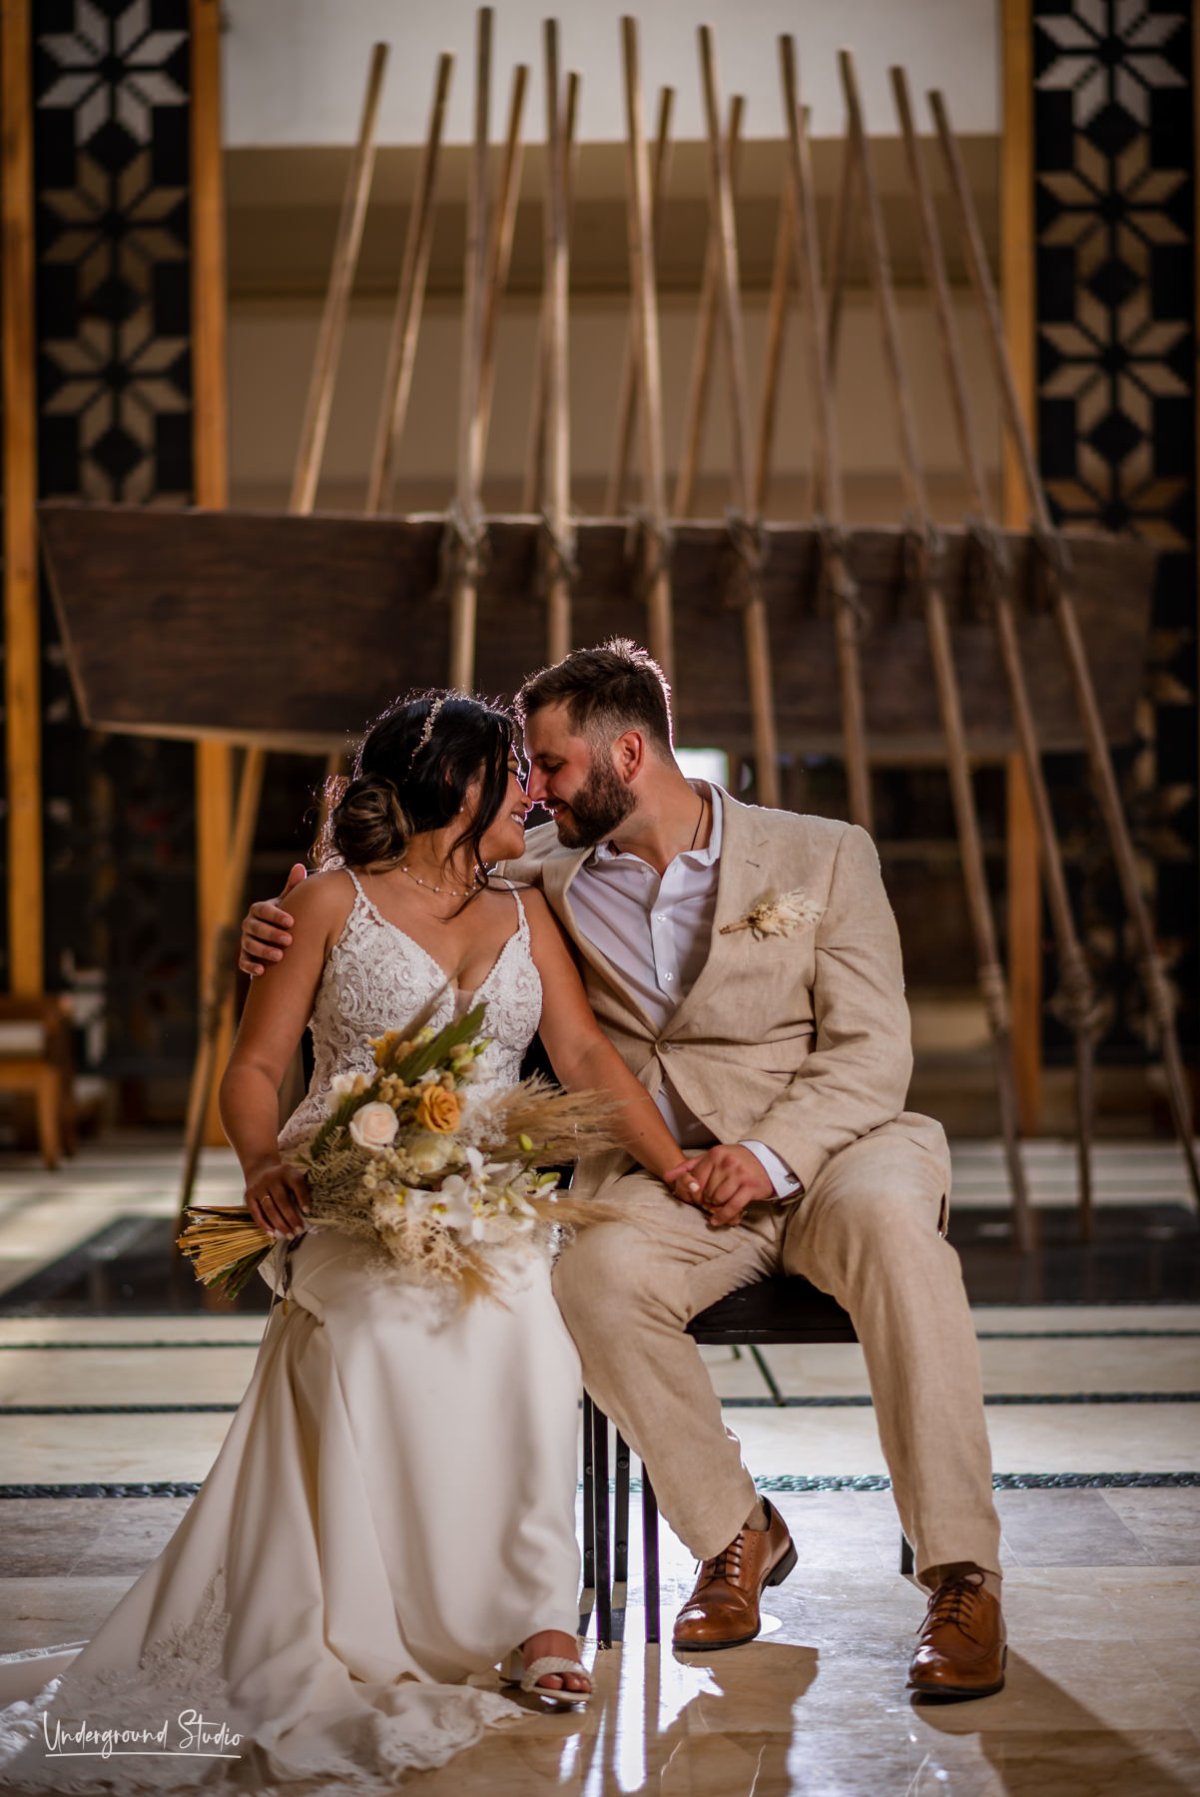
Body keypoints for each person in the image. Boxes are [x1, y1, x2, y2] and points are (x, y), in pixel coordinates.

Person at [240, 642, 1008, 1702]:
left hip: (836, 1150)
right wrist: (272, 921)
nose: (537, 790)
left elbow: (872, 1053)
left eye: (552, 766)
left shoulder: (826, 855)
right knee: (589, 1280)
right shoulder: (535, 869)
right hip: (667, 1175)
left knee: (897, 1239)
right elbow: (405, 872)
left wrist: (768, 1157)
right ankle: (734, 1532)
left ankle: (962, 1576)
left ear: (629, 753)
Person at [0, 692, 690, 1793]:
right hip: (344, 1194)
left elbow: (588, 1058)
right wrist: (262, 1164)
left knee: (535, 1335)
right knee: (377, 1330)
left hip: (490, 1198)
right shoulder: (326, 904)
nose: (531, 791)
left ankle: (535, 1617)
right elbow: (253, 1068)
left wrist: (683, 1168)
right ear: (459, 786)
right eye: (512, 772)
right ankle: (382, 1613)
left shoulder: (529, 907)